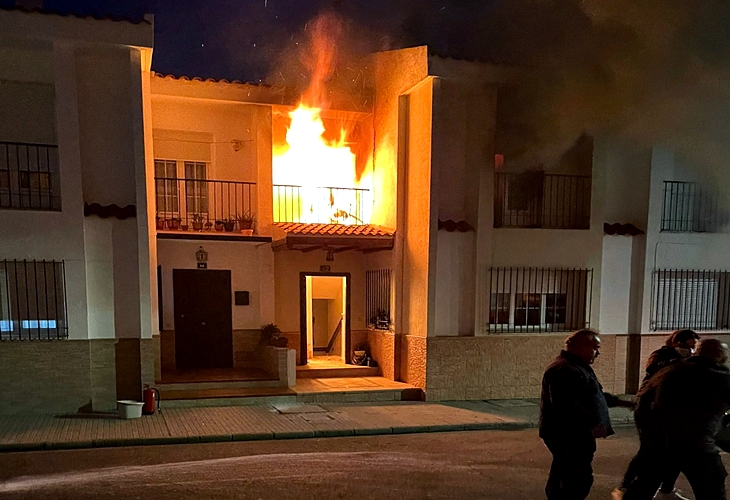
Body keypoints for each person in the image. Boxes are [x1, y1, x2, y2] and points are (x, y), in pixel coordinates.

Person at [624, 339, 730, 500]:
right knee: (712, 492)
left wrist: (650, 439)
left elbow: (642, 404)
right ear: (720, 355)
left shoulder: (669, 372)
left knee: (643, 488)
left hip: (663, 445)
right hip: (700, 447)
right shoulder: (722, 377)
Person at [613, 329, 699, 500]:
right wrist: (681, 362)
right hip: (649, 409)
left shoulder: (692, 361)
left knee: (676, 451)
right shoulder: (661, 355)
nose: (689, 350)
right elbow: (654, 368)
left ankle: (666, 489)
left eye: (693, 347)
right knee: (649, 450)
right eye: (686, 346)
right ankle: (625, 486)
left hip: (673, 412)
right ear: (675, 343)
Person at [539, 329, 625, 500]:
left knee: (564, 474)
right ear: (581, 347)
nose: (598, 353)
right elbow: (566, 406)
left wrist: (622, 402)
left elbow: (594, 395)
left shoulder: (579, 368)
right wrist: (593, 424)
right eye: (595, 348)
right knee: (577, 478)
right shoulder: (564, 370)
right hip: (569, 434)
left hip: (575, 433)